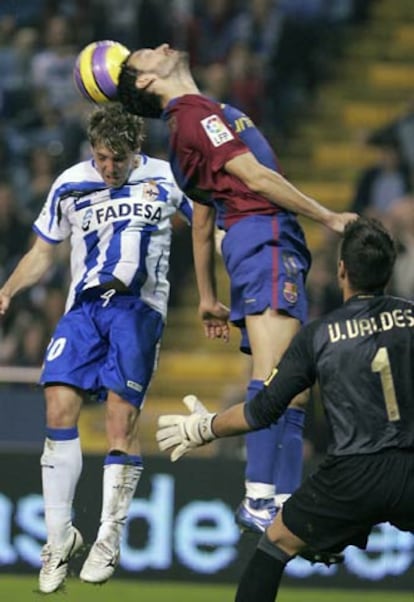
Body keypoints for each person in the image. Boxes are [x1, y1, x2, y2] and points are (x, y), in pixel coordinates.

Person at [116, 43, 357, 534]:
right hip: (264, 235)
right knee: (277, 379)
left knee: (292, 386)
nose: (163, 45)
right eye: (148, 52)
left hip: (261, 241)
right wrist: (329, 215)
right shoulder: (193, 115)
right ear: (145, 80)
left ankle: (284, 499)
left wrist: (206, 297)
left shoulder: (195, 126)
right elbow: (254, 177)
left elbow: (203, 220)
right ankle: (260, 497)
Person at [156, 216, 414, 602]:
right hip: (411, 466)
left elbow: (262, 411)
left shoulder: (318, 335)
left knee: (275, 542)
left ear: (342, 270)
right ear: (389, 271)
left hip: (351, 474)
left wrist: (205, 428)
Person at [0, 102, 193, 593]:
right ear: (92, 150)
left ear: (137, 151)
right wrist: (7, 290)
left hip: (138, 309)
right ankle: (60, 537)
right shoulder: (70, 184)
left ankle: (109, 536)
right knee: (57, 404)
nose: (110, 168)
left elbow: (212, 222)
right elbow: (44, 251)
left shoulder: (169, 179)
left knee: (118, 421)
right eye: (103, 158)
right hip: (84, 309)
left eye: (120, 159)